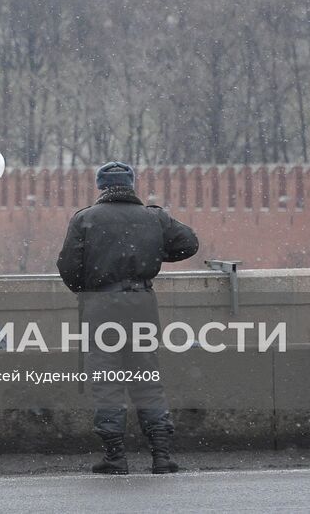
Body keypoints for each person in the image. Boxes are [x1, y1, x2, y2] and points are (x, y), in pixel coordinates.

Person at [57, 161, 198, 475]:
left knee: (107, 383)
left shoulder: (85, 219)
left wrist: (90, 287)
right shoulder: (153, 217)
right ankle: (161, 456)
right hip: (142, 305)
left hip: (101, 308)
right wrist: (153, 252)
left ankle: (115, 457)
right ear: (131, 185)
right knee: (147, 380)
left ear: (102, 187)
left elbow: (67, 267)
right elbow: (189, 243)